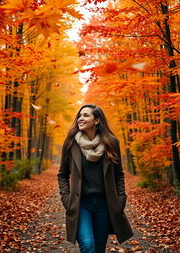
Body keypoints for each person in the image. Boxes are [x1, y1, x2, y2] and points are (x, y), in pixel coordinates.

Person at [57, 104, 133, 253]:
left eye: (86, 115)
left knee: (99, 249)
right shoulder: (71, 144)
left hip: (104, 205)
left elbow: (119, 175)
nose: (80, 119)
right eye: (79, 115)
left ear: (97, 120)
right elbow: (62, 175)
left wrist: (121, 199)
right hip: (81, 205)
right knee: (88, 246)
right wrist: (67, 199)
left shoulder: (111, 143)